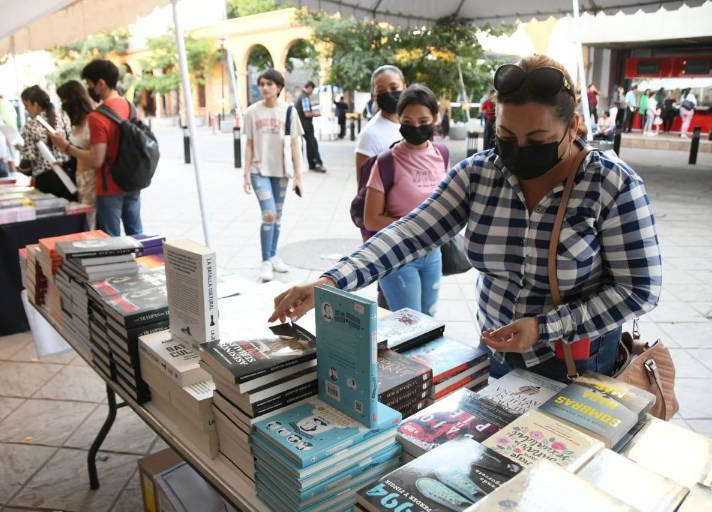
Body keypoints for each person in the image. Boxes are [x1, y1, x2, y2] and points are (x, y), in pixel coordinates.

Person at [270, 54, 661, 383]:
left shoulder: (611, 184)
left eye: (539, 141)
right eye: (506, 136)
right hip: (495, 354)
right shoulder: (480, 173)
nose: (520, 151)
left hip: (578, 363)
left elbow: (640, 289)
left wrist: (545, 327)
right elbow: (411, 232)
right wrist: (331, 281)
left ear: (573, 126)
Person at [363, 84, 445, 314]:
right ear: (399, 120)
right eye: (408, 122)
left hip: (433, 253)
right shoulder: (386, 162)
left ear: (435, 119)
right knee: (411, 325)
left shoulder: (442, 155)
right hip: (397, 255)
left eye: (423, 121)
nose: (416, 127)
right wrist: (415, 227)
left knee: (428, 321)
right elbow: (371, 219)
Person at [49, 59, 143, 236]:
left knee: (111, 242)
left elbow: (96, 159)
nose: (90, 90)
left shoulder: (97, 116)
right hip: (132, 180)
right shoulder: (130, 107)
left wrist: (67, 147)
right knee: (137, 235)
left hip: (109, 186)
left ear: (101, 83)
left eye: (91, 84)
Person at [243, 69, 304, 282]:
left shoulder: (289, 111)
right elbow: (249, 144)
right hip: (259, 170)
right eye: (261, 84)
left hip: (282, 171)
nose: (264, 87)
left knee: (277, 216)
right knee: (268, 214)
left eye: (269, 84)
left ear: (278, 87)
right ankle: (266, 261)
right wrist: (245, 174)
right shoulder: (252, 111)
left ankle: (273, 255)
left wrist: (298, 176)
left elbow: (295, 144)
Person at [355, 65, 407, 187]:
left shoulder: (414, 124)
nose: (388, 94)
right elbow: (364, 189)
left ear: (405, 87)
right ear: (374, 95)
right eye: (381, 91)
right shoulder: (369, 135)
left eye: (394, 87)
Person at [18, 85, 73, 198]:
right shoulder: (63, 119)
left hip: (45, 180)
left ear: (36, 104)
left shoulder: (31, 125)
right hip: (67, 175)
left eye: (26, 105)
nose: (26, 109)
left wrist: (20, 168)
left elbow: (29, 158)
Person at [57, 80, 97, 226]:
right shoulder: (77, 122)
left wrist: (66, 147)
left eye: (64, 100)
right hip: (80, 178)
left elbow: (94, 156)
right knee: (87, 220)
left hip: (92, 178)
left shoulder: (92, 121)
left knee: (92, 222)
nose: (62, 105)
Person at [295, 81, 326, 173]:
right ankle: (318, 163)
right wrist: (316, 114)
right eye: (312, 90)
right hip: (306, 125)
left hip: (302, 124)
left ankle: (312, 164)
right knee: (313, 144)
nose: (312, 92)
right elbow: (307, 113)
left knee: (310, 144)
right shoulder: (304, 98)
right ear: (309, 88)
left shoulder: (301, 96)